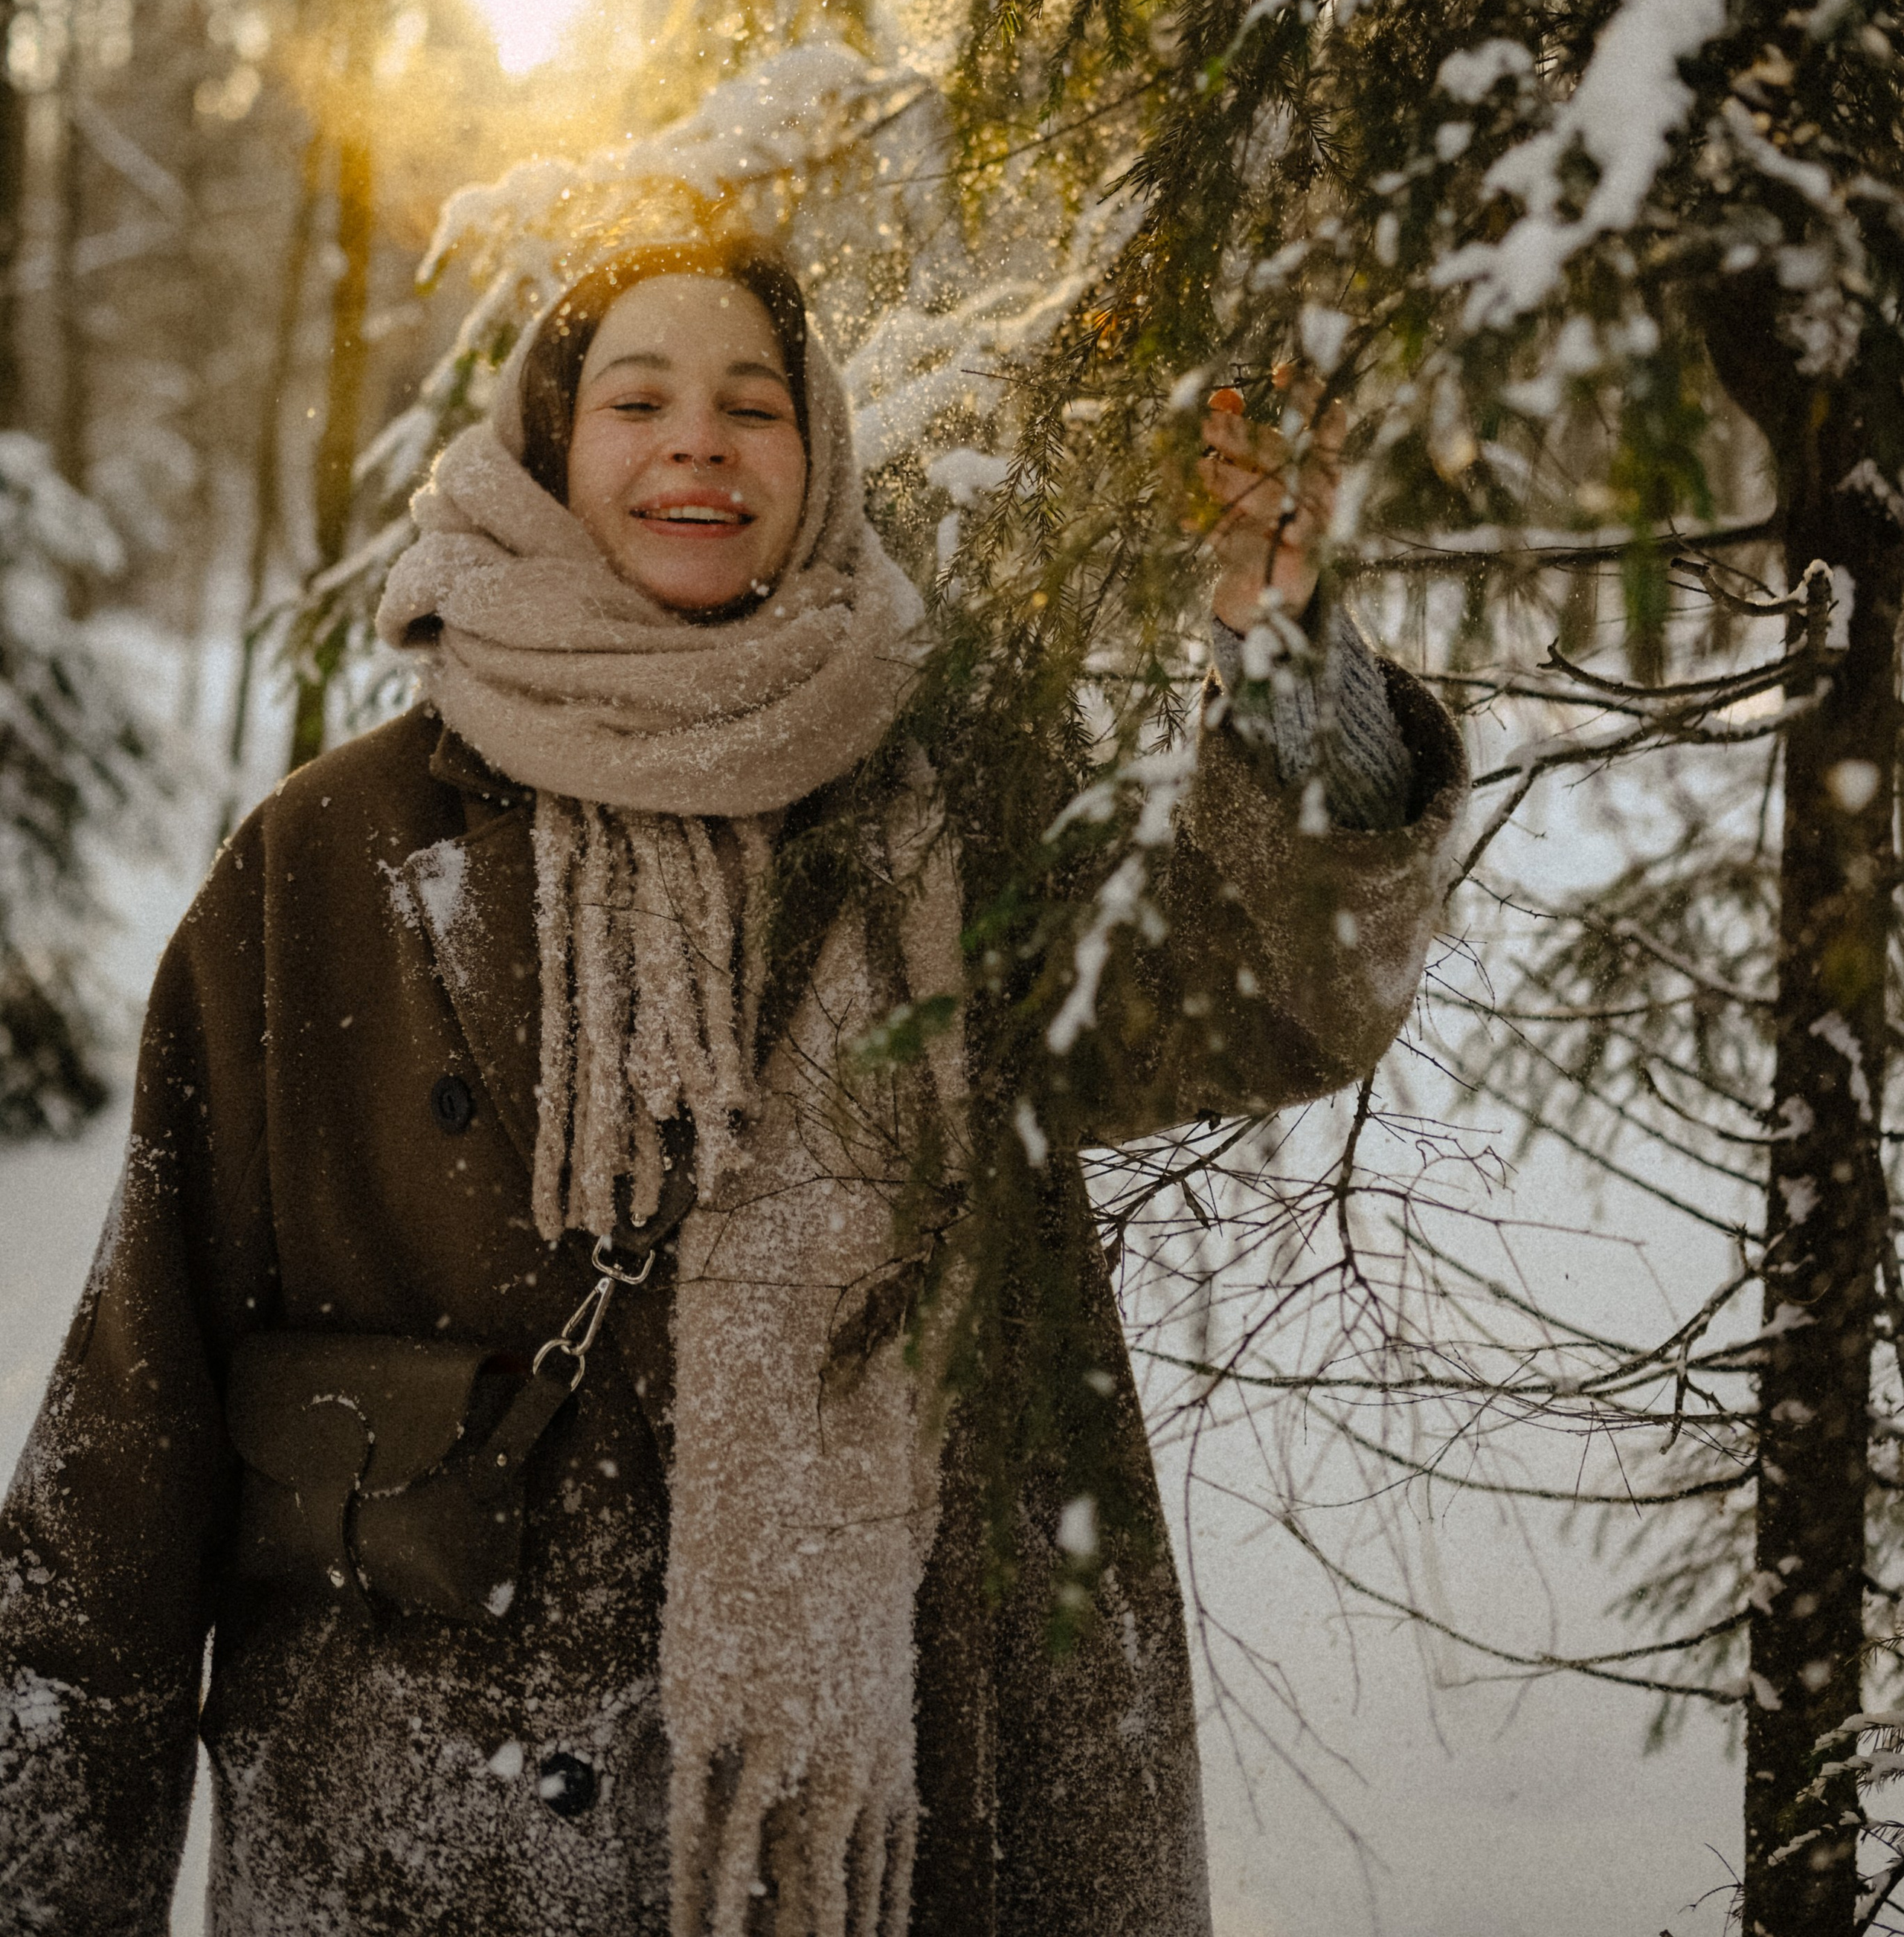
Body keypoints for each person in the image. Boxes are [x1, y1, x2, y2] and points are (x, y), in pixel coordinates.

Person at [0, 231, 1467, 1937]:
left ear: (817, 459)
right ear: (550, 456)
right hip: (436, 1845)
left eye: (751, 406)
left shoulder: (949, 811)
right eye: (638, 398)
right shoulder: (327, 857)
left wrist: (1286, 652)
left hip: (893, 1826)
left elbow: (1270, 999)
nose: (695, 441)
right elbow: (128, 1437)